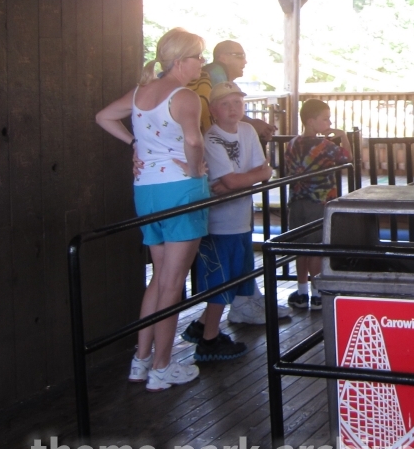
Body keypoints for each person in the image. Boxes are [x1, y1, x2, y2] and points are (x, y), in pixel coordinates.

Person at [95, 28, 209, 391]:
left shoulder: (140, 93)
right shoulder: (185, 96)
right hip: (181, 190)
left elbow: (103, 117)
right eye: (199, 57)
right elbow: (193, 140)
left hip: (146, 191)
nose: (202, 64)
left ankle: (140, 361)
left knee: (159, 278)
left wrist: (135, 144)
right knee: (173, 283)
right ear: (180, 61)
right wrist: (195, 171)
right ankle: (162, 368)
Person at [180, 83, 273, 361]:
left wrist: (238, 182)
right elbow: (234, 179)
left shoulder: (246, 130)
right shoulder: (211, 139)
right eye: (225, 103)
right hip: (219, 223)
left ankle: (201, 327)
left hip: (241, 218)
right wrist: (243, 179)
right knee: (221, 279)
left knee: (234, 276)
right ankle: (209, 341)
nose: (233, 108)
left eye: (237, 102)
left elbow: (264, 171)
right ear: (212, 110)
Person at [284, 99, 352, 310]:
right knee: (315, 247)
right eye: (325, 119)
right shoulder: (326, 146)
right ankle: (316, 294)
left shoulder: (293, 143)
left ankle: (302, 292)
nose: (328, 122)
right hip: (318, 201)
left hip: (296, 201)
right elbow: (348, 158)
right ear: (311, 121)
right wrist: (344, 137)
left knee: (301, 248)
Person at [189, 40, 277, 141]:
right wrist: (251, 123)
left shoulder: (216, 73)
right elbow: (222, 109)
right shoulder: (216, 71)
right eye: (240, 56)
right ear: (223, 58)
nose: (245, 61)